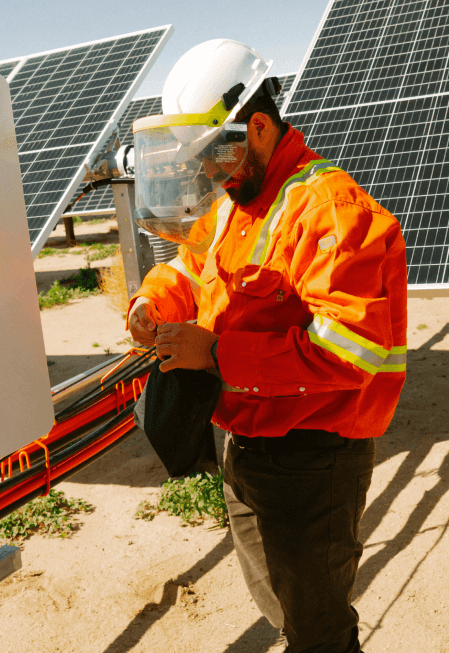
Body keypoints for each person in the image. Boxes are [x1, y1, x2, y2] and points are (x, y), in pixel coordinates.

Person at [127, 39, 407, 653]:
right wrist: (152, 304)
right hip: (247, 443)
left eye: (212, 155)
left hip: (313, 456)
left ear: (257, 127)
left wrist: (219, 356)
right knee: (280, 600)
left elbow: (348, 351)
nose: (205, 172)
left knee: (317, 626)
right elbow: (189, 268)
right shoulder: (235, 204)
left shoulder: (331, 211)